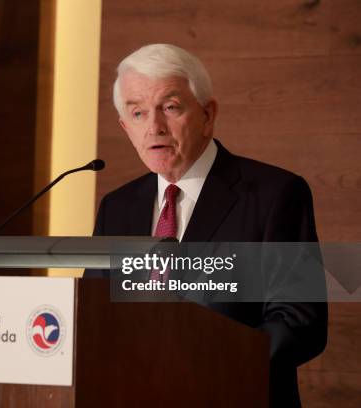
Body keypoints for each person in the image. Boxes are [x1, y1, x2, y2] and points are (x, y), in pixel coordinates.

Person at [87, 44, 327, 407]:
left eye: (170, 107)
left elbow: (300, 322)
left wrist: (205, 368)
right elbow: (94, 317)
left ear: (207, 114)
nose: (154, 127)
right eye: (137, 113)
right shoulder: (117, 207)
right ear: (125, 127)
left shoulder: (275, 194)